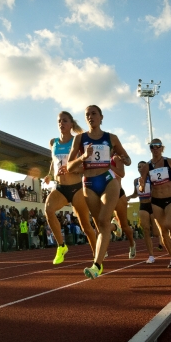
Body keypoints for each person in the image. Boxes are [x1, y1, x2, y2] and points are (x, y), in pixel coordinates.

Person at [67, 105, 131, 279]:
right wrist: (83, 157)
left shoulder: (111, 138)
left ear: (101, 117)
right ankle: (113, 226)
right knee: (101, 226)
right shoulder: (79, 139)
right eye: (87, 115)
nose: (90, 117)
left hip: (108, 180)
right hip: (89, 183)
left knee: (102, 220)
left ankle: (96, 265)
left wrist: (122, 158)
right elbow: (70, 166)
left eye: (93, 114)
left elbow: (128, 160)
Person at [44, 112, 99, 265]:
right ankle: (61, 246)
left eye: (65, 121)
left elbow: (86, 164)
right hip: (60, 187)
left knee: (85, 226)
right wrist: (49, 174)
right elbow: (53, 161)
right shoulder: (53, 142)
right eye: (59, 121)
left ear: (71, 124)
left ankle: (97, 257)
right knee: (48, 210)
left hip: (77, 188)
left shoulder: (78, 141)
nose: (61, 123)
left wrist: (71, 169)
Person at [140, 138, 171, 269]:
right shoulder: (147, 166)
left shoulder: (169, 162)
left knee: (170, 224)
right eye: (152, 147)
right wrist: (142, 187)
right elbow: (142, 183)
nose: (155, 149)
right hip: (156, 200)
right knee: (162, 231)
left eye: (157, 146)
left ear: (162, 148)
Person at [128, 162, 159, 264]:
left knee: (155, 232)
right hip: (143, 205)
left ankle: (164, 239)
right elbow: (135, 194)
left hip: (153, 205)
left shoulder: (152, 179)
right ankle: (151, 255)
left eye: (142, 166)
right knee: (145, 230)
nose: (140, 168)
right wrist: (127, 197)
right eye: (138, 167)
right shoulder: (136, 181)